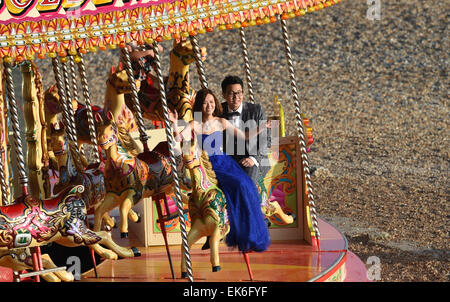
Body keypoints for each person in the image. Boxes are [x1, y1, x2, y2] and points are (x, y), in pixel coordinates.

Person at [169, 88, 271, 253]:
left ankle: (250, 231)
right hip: (206, 164)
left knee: (244, 184)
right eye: (204, 102)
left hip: (224, 162)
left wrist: (262, 127)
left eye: (211, 102)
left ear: (215, 104)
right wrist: (174, 123)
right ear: (199, 105)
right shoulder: (194, 124)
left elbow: (244, 136)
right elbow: (180, 139)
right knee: (231, 186)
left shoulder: (220, 122)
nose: (208, 105)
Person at [220, 75, 271, 186]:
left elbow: (266, 140)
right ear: (223, 95)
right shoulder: (218, 111)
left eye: (239, 92)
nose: (236, 97)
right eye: (231, 93)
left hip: (252, 158)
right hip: (228, 160)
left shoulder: (256, 110)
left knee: (245, 184)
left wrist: (253, 159)